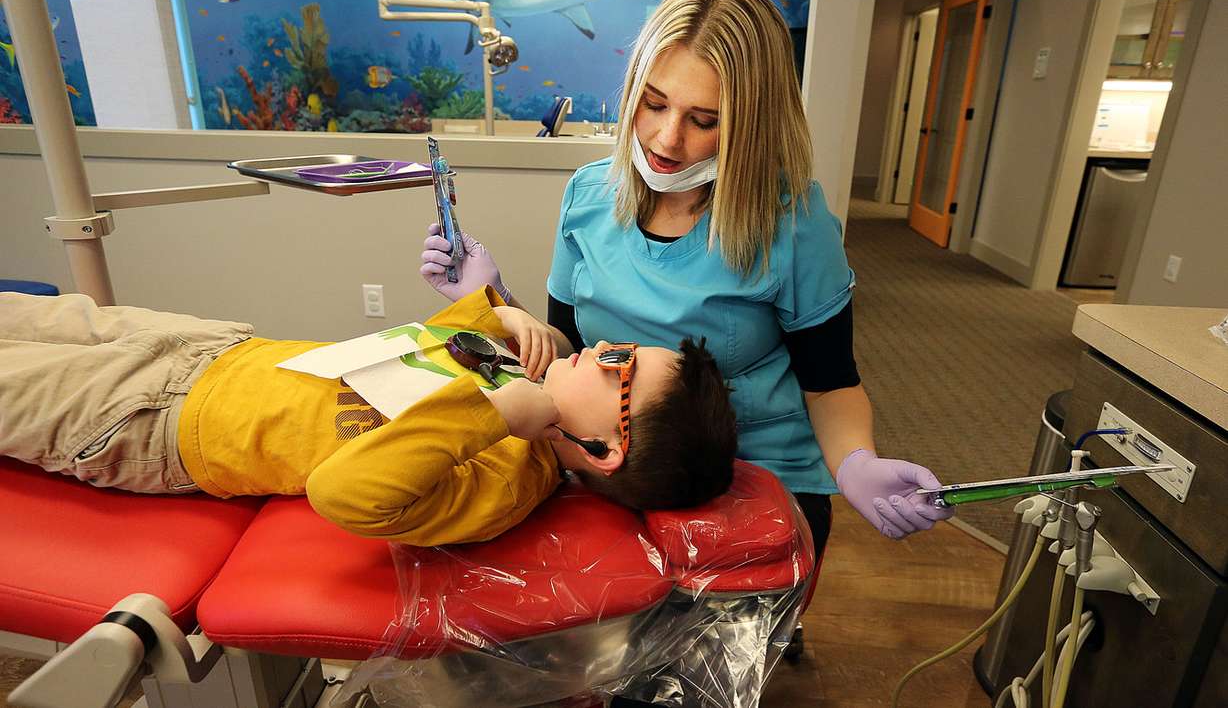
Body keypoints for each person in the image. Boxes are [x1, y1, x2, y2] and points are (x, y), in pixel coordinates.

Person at [420, 0, 952, 557]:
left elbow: (829, 386)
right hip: (610, 473)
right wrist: (494, 299)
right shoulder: (590, 197)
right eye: (653, 104)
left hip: (750, 478)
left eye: (704, 121)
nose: (666, 140)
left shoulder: (791, 223)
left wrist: (856, 463)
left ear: (753, 123)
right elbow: (566, 352)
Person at [0, 286, 737, 547]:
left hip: (151, 422)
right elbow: (426, 345)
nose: (604, 346)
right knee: (26, 315)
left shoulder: (506, 473)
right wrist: (500, 316)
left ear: (604, 449)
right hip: (211, 349)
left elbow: (346, 493)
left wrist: (493, 414)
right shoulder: (523, 379)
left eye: (620, 368)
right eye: (622, 346)